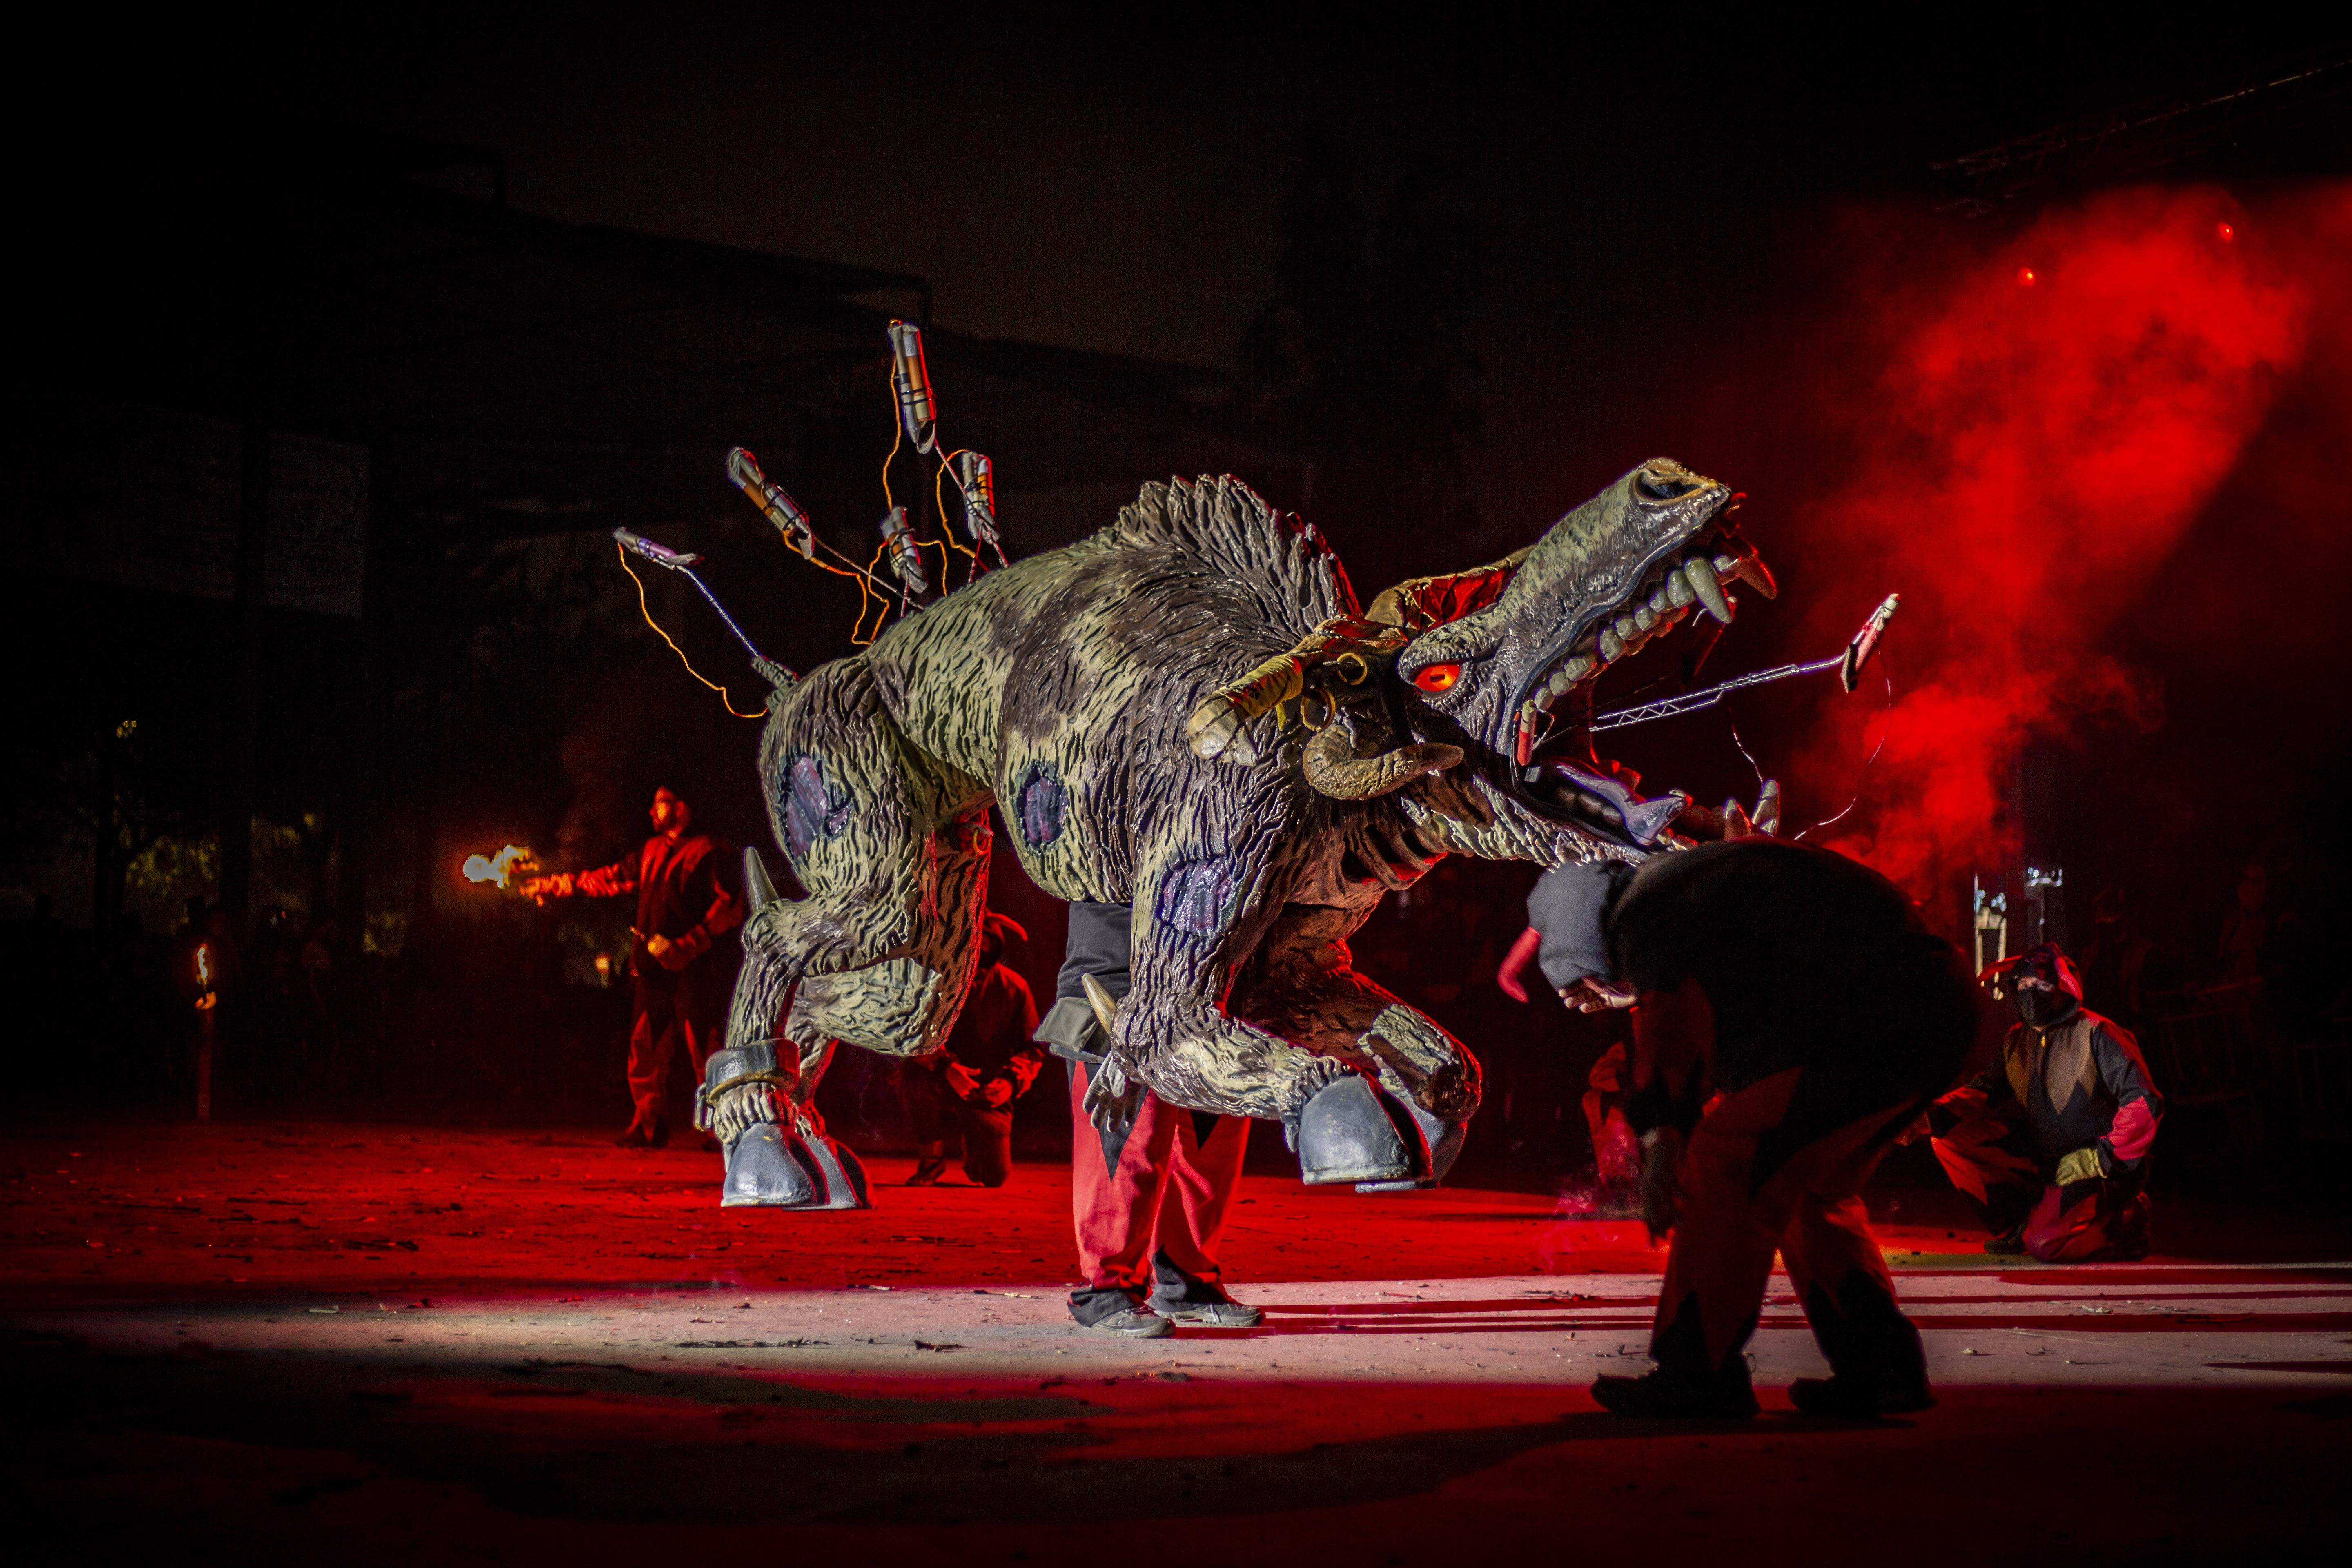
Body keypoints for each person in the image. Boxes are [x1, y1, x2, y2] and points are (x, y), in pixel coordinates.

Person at [1525, 840, 1976, 1418]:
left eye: (1588, 987)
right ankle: (1882, 1368)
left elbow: (1670, 1035)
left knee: (1730, 1158)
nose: (1601, 1003)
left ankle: (1698, 1374)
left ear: (1589, 943)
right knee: (1806, 1183)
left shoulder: (1645, 912)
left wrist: (1663, 1143)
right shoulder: (1688, 889)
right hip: (1929, 1008)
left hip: (1877, 1019)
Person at [1035, 900, 1263, 1338]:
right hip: (1118, 986)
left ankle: (1187, 1283)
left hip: (1211, 992)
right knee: (1128, 1143)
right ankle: (1105, 1292)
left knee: (1210, 1146)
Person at [523, 786, 743, 1147]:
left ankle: (725, 1127)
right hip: (651, 968)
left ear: (683, 807)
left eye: (660, 804)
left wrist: (689, 944)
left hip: (696, 969)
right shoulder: (652, 850)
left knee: (706, 1049)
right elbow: (611, 878)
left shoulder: (711, 851)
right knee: (645, 1045)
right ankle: (649, 1124)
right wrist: (559, 885)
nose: (652, 811)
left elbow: (729, 906)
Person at [1925, 943, 2161, 1262]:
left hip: (2098, 1166)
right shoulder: (2015, 1040)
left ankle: (2123, 1219)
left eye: (2043, 984)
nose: (2031, 991)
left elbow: (2144, 1102)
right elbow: (1982, 1094)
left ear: (2064, 988)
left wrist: (2099, 1159)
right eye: (2024, 985)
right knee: (1946, 1138)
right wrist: (1923, 1117)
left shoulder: (2097, 1032)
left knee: (2046, 1245)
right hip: (2047, 1159)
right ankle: (2019, 1222)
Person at [900, 912, 1045, 1186]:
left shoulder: (1014, 988)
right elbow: (908, 1036)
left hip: (986, 1089)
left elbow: (1034, 1048)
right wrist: (946, 1067)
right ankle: (931, 1160)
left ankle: (977, 1146)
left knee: (993, 1176)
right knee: (913, 1078)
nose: (977, 956)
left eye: (985, 949)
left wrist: (1010, 1082)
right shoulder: (931, 982)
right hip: (942, 1077)